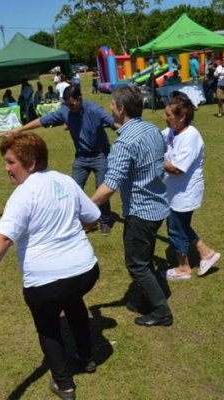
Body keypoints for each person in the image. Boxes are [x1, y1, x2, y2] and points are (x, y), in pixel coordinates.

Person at [0, 132, 101, 400]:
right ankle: (87, 357)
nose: (5, 168)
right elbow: (93, 217)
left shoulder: (23, 195)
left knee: (48, 326)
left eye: (10, 162)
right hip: (86, 272)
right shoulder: (65, 180)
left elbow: (3, 239)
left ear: (30, 162)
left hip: (45, 283)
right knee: (72, 299)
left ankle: (64, 384)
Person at [91, 85, 173, 327]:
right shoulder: (152, 129)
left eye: (112, 103)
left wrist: (85, 207)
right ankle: (146, 299)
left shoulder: (124, 143)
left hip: (141, 211)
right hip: (158, 206)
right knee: (144, 257)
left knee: (136, 264)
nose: (110, 107)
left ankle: (161, 311)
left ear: (121, 108)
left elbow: (110, 186)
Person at [8, 85, 118, 235]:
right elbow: (41, 121)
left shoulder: (94, 110)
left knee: (101, 188)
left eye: (72, 104)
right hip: (81, 157)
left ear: (79, 99)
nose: (69, 107)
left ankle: (104, 221)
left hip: (100, 155)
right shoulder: (65, 111)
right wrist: (19, 130)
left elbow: (113, 123)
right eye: (66, 104)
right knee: (74, 188)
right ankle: (78, 219)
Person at [162, 97, 221, 280]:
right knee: (181, 225)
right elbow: (157, 136)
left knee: (175, 228)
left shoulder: (190, 136)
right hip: (173, 191)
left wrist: (156, 161)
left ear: (182, 116)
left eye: (169, 114)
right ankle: (207, 254)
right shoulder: (172, 131)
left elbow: (177, 168)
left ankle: (183, 268)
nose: (165, 117)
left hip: (184, 193)